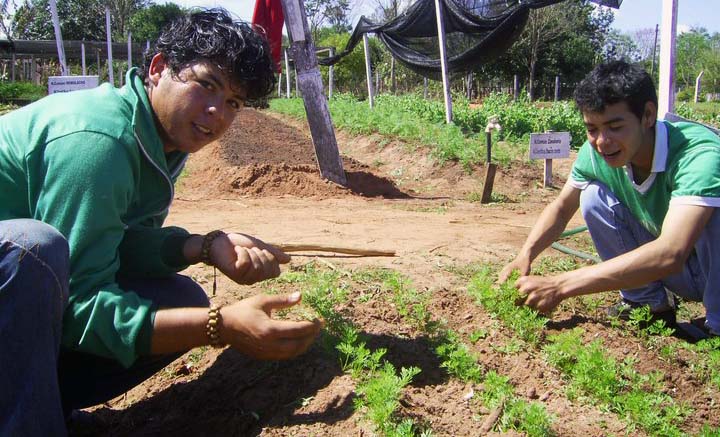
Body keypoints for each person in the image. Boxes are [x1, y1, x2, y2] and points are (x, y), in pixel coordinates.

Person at [0, 8, 323, 436]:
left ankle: (40, 400)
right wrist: (220, 327)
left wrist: (204, 246)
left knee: (180, 299)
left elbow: (110, 244)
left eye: (233, 102)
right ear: (157, 69)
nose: (216, 112)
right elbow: (79, 305)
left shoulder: (163, 140)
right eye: (206, 84)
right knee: (33, 248)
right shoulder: (99, 140)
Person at [499, 60, 720, 338]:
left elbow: (670, 254)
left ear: (648, 115)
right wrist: (525, 255)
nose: (602, 141)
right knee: (592, 196)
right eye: (592, 129)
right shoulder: (597, 153)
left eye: (615, 126)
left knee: (714, 207)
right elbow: (561, 208)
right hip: (688, 272)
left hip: (701, 266)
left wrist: (560, 285)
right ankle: (649, 306)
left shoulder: (698, 154)